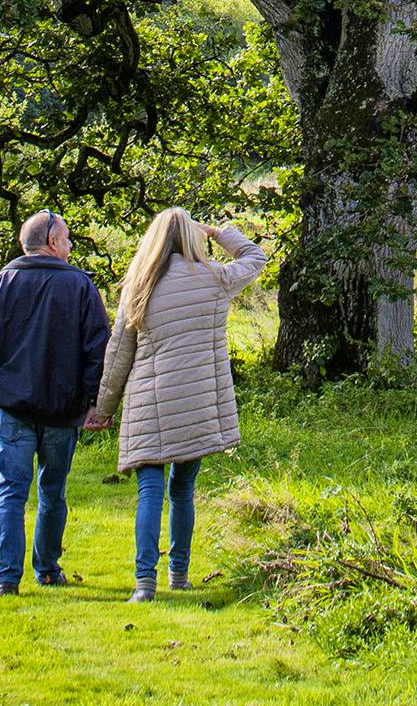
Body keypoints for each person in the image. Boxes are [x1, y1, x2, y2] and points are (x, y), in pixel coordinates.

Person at [92, 207, 271, 602]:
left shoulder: (138, 286)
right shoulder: (214, 278)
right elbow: (257, 258)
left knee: (150, 492)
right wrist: (218, 230)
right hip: (196, 401)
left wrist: (103, 409)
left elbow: (118, 353)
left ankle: (144, 584)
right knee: (183, 491)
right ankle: (179, 574)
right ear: (192, 239)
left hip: (148, 402)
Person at [0, 209, 110, 594]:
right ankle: (46, 568)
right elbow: (98, 349)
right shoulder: (81, 286)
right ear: (53, 242)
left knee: (10, 490)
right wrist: (95, 400)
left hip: (13, 407)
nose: (72, 245)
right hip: (62, 409)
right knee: (52, 492)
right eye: (68, 238)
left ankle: (6, 578)